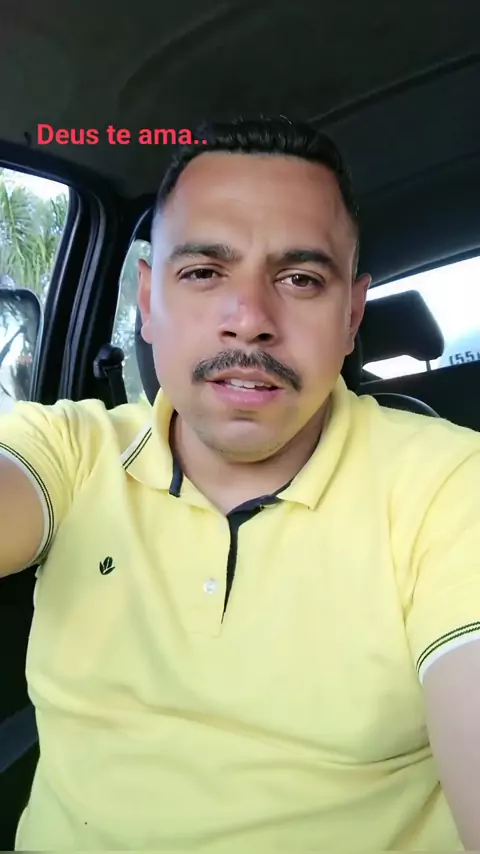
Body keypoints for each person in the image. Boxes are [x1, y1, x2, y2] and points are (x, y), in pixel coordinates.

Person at [1, 117, 480, 852]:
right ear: (148, 302)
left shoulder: (448, 485)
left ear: (351, 315)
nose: (250, 320)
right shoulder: (69, 451)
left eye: (300, 279)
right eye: (204, 272)